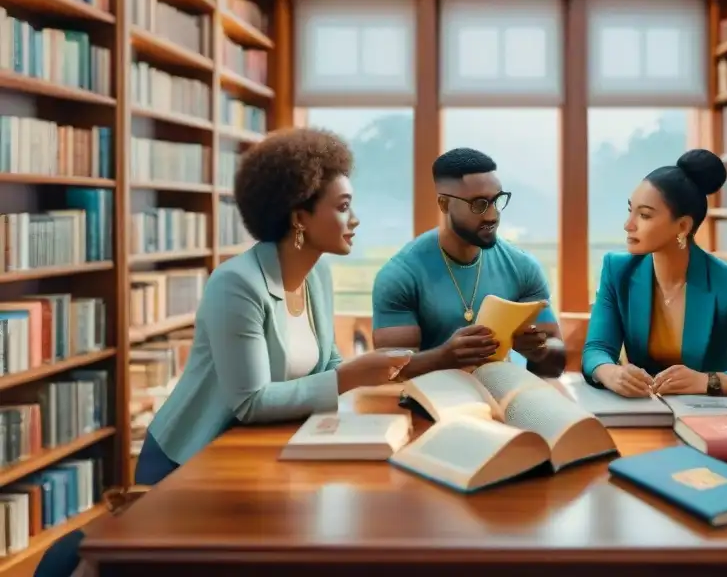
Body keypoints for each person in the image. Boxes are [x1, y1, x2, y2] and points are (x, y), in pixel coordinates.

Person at [134, 128, 411, 485]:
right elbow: (250, 402)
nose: (354, 219)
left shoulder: (317, 275)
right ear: (299, 218)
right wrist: (352, 376)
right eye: (343, 207)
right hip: (190, 461)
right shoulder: (236, 284)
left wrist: (370, 373)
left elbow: (326, 364)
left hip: (258, 450)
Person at [581, 148, 727, 401]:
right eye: (631, 210)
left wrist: (708, 380)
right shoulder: (618, 271)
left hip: (713, 413)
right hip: (644, 410)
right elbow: (596, 349)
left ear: (682, 226)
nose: (629, 224)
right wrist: (610, 372)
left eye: (644, 215)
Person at [371, 148, 565, 378]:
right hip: (429, 402)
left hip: (500, 394)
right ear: (444, 204)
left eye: (496, 200)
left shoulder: (522, 266)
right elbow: (389, 370)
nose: (492, 215)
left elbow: (557, 359)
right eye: (479, 204)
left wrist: (540, 351)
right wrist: (445, 357)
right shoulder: (401, 275)